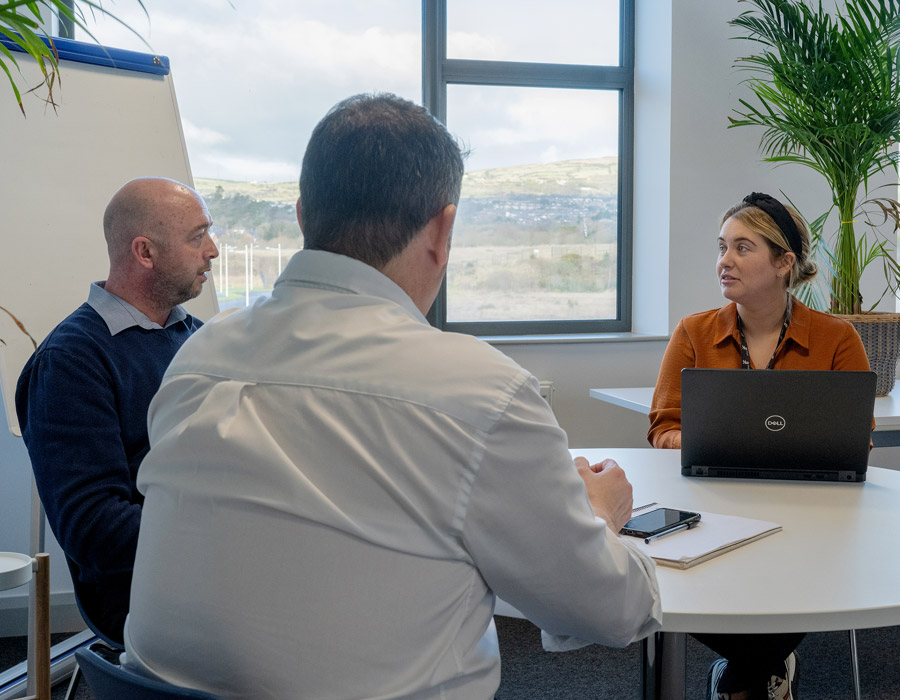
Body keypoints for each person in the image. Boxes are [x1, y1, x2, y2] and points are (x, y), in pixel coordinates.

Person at [122, 93, 662, 700]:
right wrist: (598, 514)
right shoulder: (479, 391)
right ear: (443, 229)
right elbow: (613, 611)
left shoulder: (199, 358)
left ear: (303, 215)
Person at [648, 193, 871, 700]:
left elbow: (856, 435)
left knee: (813, 568)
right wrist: (700, 440)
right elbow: (663, 427)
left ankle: (741, 679)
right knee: (679, 585)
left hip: (809, 515)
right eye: (721, 247)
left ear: (784, 262)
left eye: (742, 248)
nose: (724, 261)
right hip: (712, 507)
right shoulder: (694, 332)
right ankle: (767, 669)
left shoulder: (837, 338)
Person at [15, 177, 218, 645]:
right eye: (197, 236)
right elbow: (95, 530)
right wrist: (225, 528)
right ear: (145, 253)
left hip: (208, 561)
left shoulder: (200, 337)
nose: (212, 251)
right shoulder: (70, 362)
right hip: (145, 596)